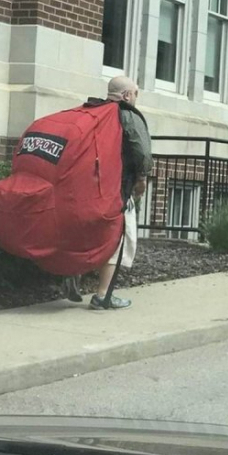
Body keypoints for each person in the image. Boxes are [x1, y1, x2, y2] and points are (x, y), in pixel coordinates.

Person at [62, 76, 153, 310]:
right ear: (126, 96)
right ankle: (103, 295)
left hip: (88, 187)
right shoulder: (128, 115)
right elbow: (142, 151)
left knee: (89, 234)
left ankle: (73, 274)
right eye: (135, 93)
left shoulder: (94, 111)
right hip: (116, 190)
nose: (136, 97)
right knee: (117, 238)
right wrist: (141, 179)